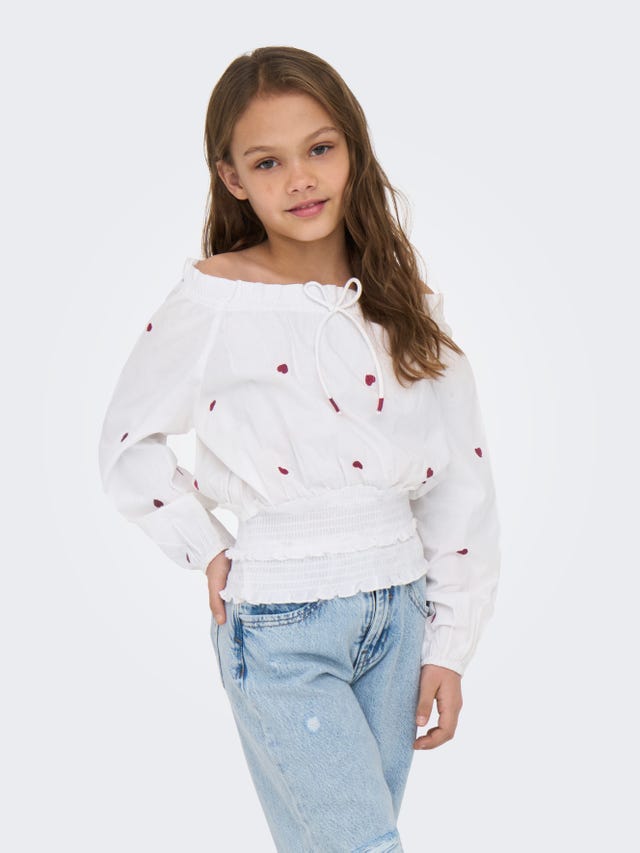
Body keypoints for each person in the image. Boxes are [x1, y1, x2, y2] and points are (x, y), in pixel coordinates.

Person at [98, 45, 501, 853]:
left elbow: (461, 479)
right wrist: (206, 544)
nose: (300, 179)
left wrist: (450, 644)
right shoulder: (216, 298)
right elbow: (125, 442)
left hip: (398, 618)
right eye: (268, 162)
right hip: (282, 619)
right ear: (232, 178)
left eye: (319, 148)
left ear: (353, 147)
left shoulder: (404, 302)